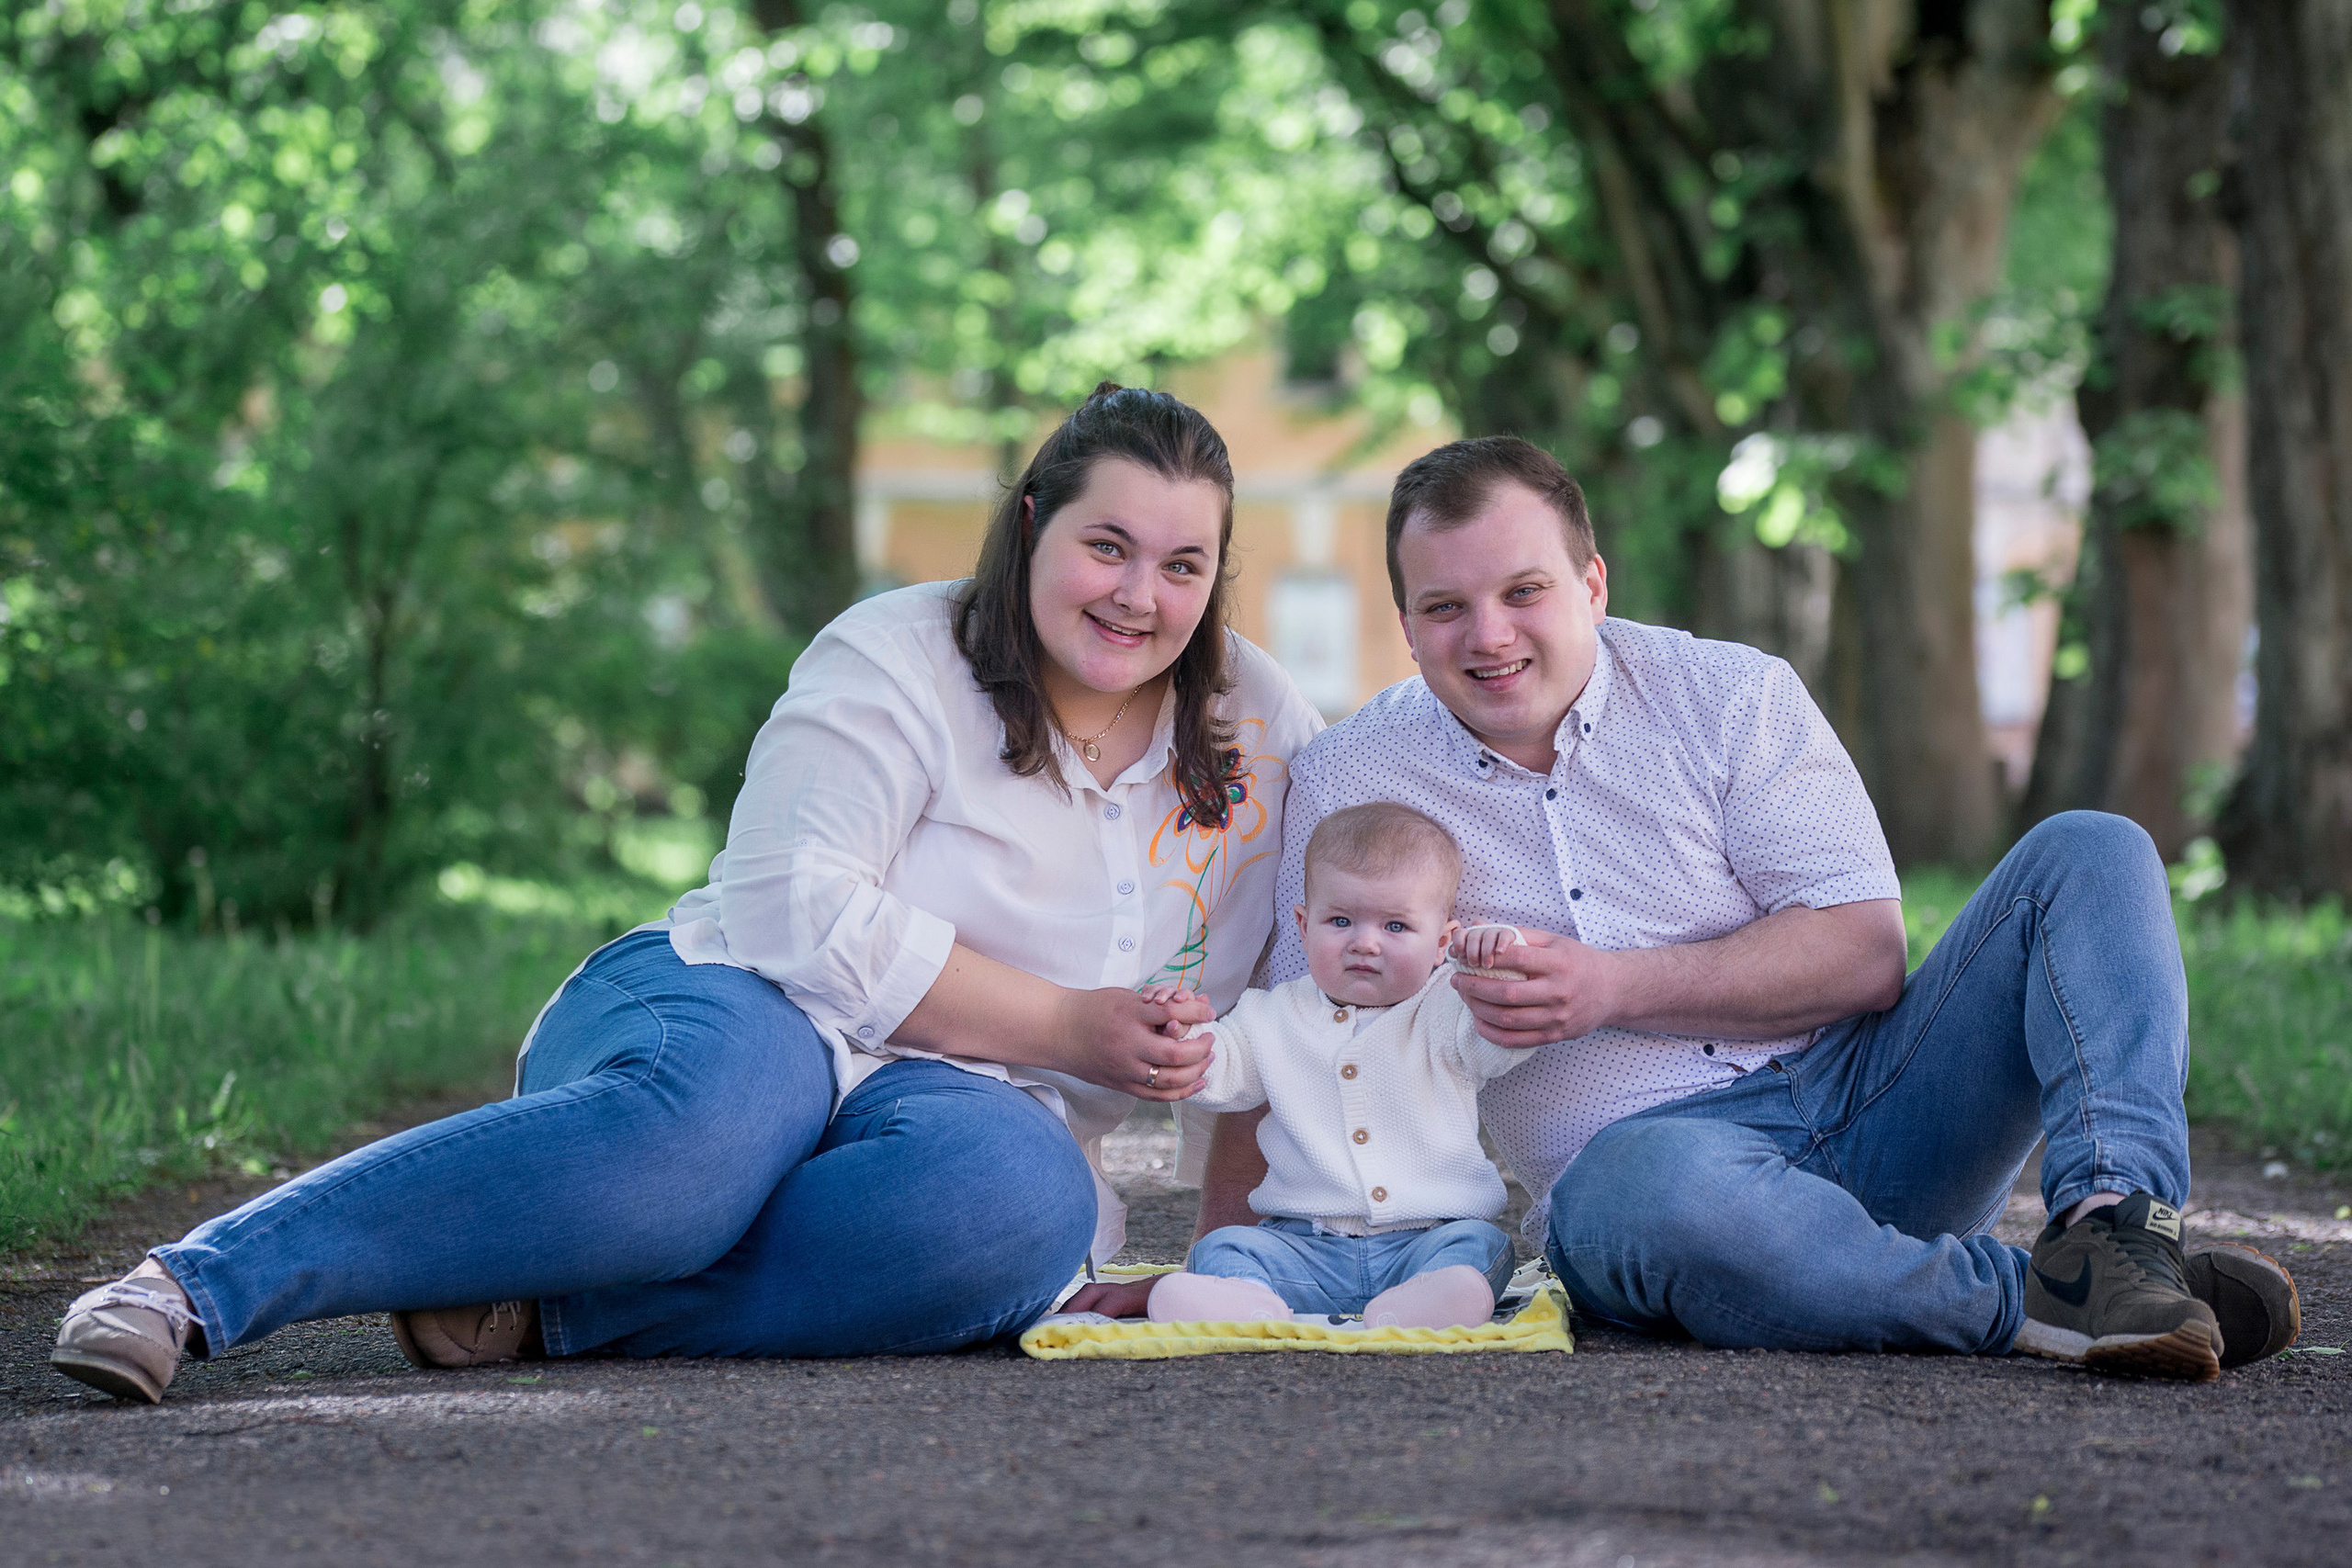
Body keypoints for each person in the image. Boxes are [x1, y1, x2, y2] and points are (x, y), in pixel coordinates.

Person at [47, 384, 1325, 1404]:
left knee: (1017, 1214)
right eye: (1106, 545)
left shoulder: (1262, 727)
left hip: (969, 1108)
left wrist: (1222, 1267)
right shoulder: (900, 651)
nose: (1138, 595)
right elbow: (788, 903)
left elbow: (1297, 995)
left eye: (1182, 564)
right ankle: (191, 1285)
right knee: (699, 1150)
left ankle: (551, 1302)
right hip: (744, 1003)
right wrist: (1063, 1023)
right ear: (1034, 519)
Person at [1183, 434, 2300, 1382]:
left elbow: (1865, 956)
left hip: (1879, 1105)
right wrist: (1222, 1264)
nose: (1489, 635)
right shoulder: (1353, 778)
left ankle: (2115, 1229)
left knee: (2091, 850)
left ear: (1591, 585)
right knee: (1629, 1189)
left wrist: (1610, 986)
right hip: (1653, 1184)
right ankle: (2038, 1298)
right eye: (1445, 607)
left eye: (1523, 592)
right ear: (1405, 621)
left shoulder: (1730, 695)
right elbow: (1306, 1036)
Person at [1134, 802, 1536, 1331]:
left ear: (1442, 942)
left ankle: (1425, 1306)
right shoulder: (1271, 1014)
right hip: (1303, 1248)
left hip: (1425, 1243)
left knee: (1482, 1245)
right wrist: (1180, 1031)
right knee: (1225, 1246)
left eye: (1396, 926)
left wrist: (1499, 967)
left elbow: (1502, 1040)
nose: (1364, 942)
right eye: (1340, 921)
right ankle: (1250, 1304)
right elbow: (1220, 1074)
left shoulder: (1448, 1007)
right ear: (1304, 926)